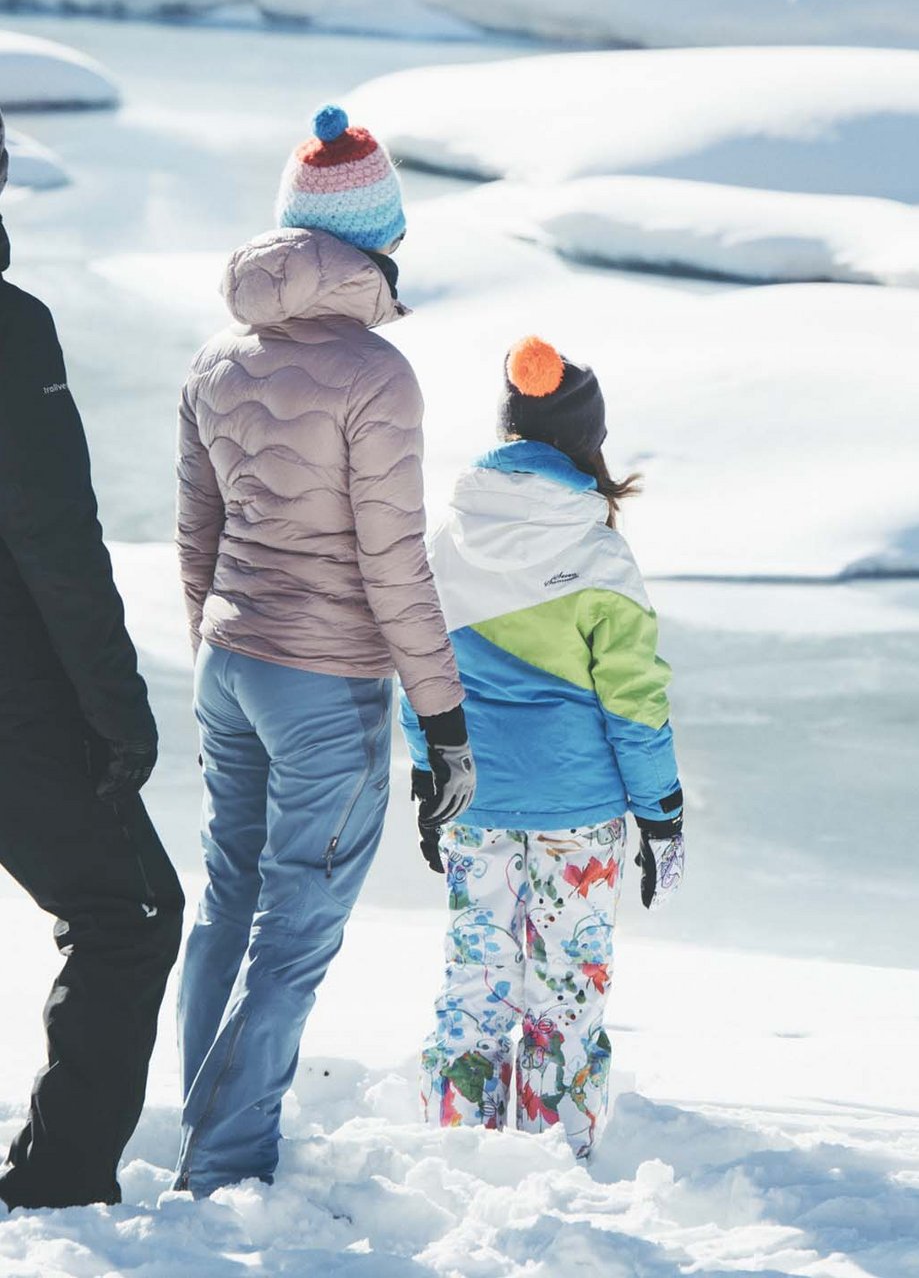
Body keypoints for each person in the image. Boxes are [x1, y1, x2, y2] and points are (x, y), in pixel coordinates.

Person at [174, 105, 476, 1196]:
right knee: (293, 933)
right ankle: (225, 1161)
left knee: (225, 904)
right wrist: (442, 722)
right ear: (378, 240)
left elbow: (196, 532)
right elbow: (396, 562)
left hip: (232, 665)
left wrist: (220, 640)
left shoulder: (218, 357)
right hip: (325, 683)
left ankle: (210, 1136)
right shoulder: (376, 375)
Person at [405, 335, 684, 1158]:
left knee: (474, 986)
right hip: (580, 812)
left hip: (476, 802)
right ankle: (558, 1162)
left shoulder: (444, 543)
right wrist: (662, 815)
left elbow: (415, 673)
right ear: (583, 445)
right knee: (564, 993)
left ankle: (458, 1155)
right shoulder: (599, 552)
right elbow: (636, 703)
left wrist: (430, 783)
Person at [0, 109, 184, 1210]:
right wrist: (121, 715)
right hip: (15, 695)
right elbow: (53, 535)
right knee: (134, 911)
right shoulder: (10, 330)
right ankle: (61, 1184)